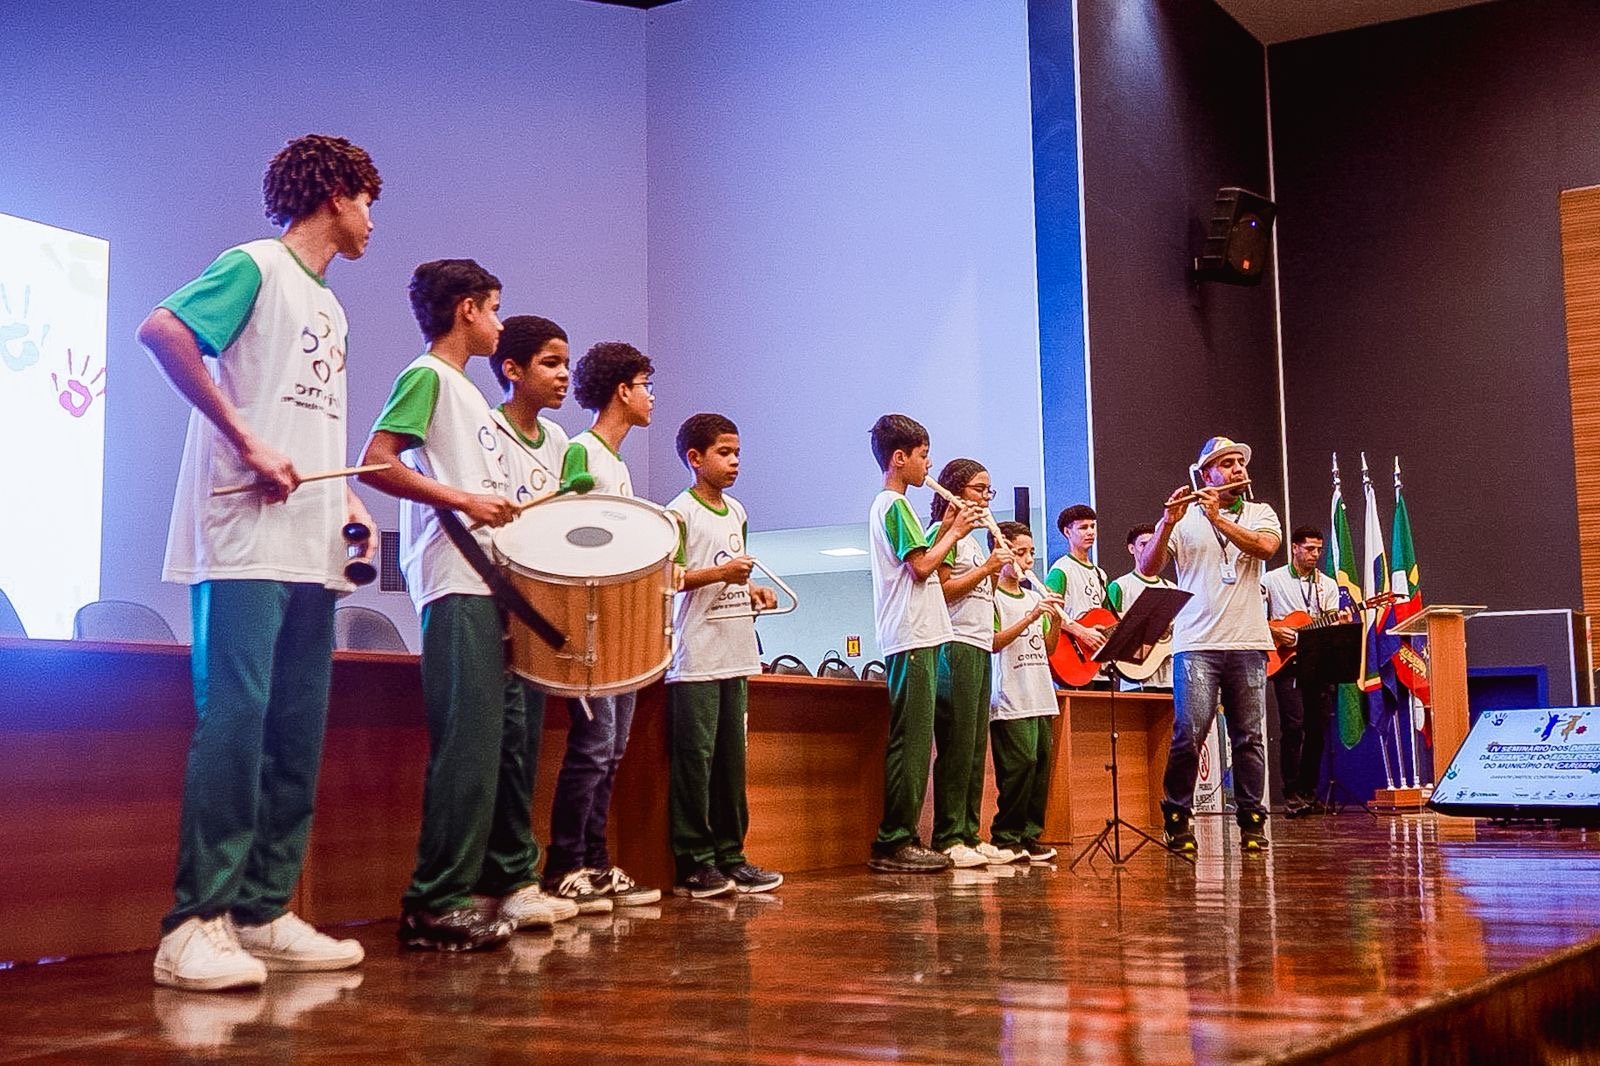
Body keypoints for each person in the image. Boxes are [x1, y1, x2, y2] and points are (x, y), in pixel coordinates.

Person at [140, 133, 380, 991]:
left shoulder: (333, 309)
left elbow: (310, 422)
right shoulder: (255, 266)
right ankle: (192, 926)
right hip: (243, 536)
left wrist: (347, 502)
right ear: (336, 194)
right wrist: (244, 440)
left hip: (312, 545)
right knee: (237, 721)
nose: (371, 223)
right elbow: (163, 329)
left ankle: (263, 912)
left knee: (294, 728)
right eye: (368, 203)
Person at [360, 258, 544, 950]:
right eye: (494, 308)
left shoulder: (467, 393)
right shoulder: (428, 376)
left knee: (494, 748)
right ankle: (434, 902)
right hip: (454, 582)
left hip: (487, 585)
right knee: (466, 748)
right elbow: (378, 460)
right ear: (467, 309)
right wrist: (464, 499)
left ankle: (472, 890)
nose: (500, 322)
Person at [544, 341, 662, 910]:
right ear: (622, 390)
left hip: (622, 629)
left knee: (612, 750)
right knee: (591, 748)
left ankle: (595, 862)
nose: (651, 397)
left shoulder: (618, 464)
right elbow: (568, 537)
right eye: (645, 385)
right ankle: (564, 865)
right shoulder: (581, 452)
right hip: (588, 629)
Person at [1136, 436, 1282, 853]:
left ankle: (1252, 822)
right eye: (1227, 463)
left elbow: (1266, 547)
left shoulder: (1260, 512)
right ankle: (1177, 819)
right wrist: (1167, 522)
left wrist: (1218, 519)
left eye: (1240, 462)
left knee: (1249, 737)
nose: (1238, 469)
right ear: (1205, 475)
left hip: (1248, 642)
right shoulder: (1184, 519)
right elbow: (1148, 567)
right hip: (1196, 642)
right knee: (1189, 733)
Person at [664, 413, 785, 898]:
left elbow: (733, 573)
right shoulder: (678, 514)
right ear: (695, 458)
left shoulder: (737, 512)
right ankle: (695, 863)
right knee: (696, 761)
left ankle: (732, 856)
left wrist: (752, 590)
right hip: (695, 656)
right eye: (724, 453)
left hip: (737, 654)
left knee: (732, 763)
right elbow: (670, 578)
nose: (735, 462)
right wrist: (722, 575)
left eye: (737, 453)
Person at [865, 414, 977, 873]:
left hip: (921, 634)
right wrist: (956, 533)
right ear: (899, 458)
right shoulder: (893, 505)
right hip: (910, 634)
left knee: (917, 742)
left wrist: (948, 527)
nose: (928, 465)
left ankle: (904, 836)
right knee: (910, 743)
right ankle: (894, 840)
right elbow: (923, 567)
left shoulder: (899, 507)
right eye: (923, 455)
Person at [927, 459, 1016, 867]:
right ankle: (948, 836)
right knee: (957, 744)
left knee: (976, 747)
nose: (985, 498)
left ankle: (969, 832)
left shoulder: (975, 541)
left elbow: (980, 593)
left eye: (988, 490)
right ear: (956, 491)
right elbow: (942, 591)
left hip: (979, 645)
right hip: (955, 645)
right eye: (979, 489)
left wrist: (995, 568)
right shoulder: (945, 534)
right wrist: (986, 568)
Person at [989, 521, 1066, 862]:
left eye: (1031, 552)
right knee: (1020, 765)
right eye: (1020, 553)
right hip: (1010, 695)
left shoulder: (1035, 596)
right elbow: (993, 643)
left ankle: (1030, 834)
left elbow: (1048, 648)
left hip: (1040, 693)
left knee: (1040, 768)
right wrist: (1031, 616)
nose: (1028, 560)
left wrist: (1057, 618)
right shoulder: (992, 597)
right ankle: (1005, 835)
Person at [1262, 526, 1344, 816]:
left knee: (1317, 729)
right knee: (1293, 727)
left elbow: (1331, 622)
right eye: (1309, 549)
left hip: (1317, 661)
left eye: (1319, 549)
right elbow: (1254, 616)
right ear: (1294, 548)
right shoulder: (1272, 580)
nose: (1315, 554)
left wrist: (1337, 623)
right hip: (1286, 662)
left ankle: (1309, 791)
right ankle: (1291, 792)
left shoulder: (1327, 585)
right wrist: (1275, 631)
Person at [1044, 504, 1112, 681]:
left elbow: (1106, 617)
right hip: (1072, 658)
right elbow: (1050, 614)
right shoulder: (1060, 570)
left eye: (1092, 526)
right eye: (1083, 527)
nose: (1090, 532)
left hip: (1098, 661)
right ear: (1067, 532)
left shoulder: (1100, 574)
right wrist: (1082, 632)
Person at [1106, 524, 1177, 690]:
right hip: (1136, 676)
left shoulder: (1172, 588)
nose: (1149, 549)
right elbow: (1109, 628)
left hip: (1170, 676)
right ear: (1132, 549)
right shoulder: (1120, 586)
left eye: (1153, 543)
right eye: (1143, 544)